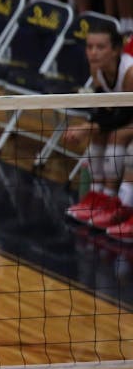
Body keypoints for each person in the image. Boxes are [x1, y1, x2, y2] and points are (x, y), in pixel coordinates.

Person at [64, 21, 133, 239]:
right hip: (127, 116)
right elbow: (104, 110)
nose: (93, 52)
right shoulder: (97, 70)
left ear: (116, 50)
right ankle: (98, 196)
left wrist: (88, 127)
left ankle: (118, 201)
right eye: (89, 46)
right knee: (99, 131)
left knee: (116, 134)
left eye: (100, 47)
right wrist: (88, 127)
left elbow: (125, 115)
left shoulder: (129, 73)